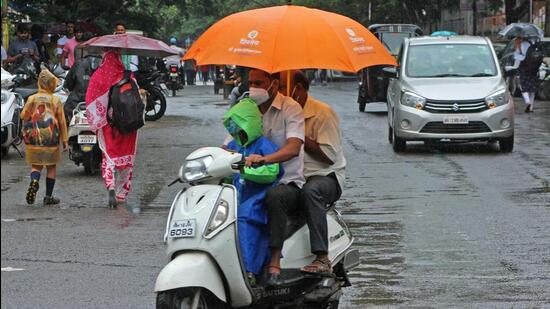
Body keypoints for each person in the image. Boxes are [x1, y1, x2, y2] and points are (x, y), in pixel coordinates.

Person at [243, 69, 305, 286]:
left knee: (274, 196)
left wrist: (265, 159)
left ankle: (275, 259)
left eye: (258, 82)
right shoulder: (246, 109)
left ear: (274, 84)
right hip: (251, 181)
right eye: (250, 82)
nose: (253, 88)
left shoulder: (291, 108)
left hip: (287, 182)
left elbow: (293, 148)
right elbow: (229, 144)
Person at [281, 70, 346, 274]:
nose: (278, 92)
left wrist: (297, 133)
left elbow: (328, 156)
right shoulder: (276, 112)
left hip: (324, 175)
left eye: (283, 87)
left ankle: (321, 256)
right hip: (290, 176)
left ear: (297, 89)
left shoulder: (322, 113)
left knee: (311, 191)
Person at [223, 98, 283, 285]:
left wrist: (244, 168)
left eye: (237, 124)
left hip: (258, 198)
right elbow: (223, 167)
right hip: (236, 195)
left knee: (243, 216)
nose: (234, 129)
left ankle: (248, 270)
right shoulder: (233, 146)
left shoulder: (264, 145)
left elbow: (271, 172)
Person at [85, 50, 138, 208]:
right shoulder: (129, 76)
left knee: (108, 158)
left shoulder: (98, 77)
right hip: (129, 126)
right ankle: (122, 194)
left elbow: (90, 100)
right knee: (127, 160)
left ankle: (111, 187)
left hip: (109, 125)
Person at [20, 68, 68, 206]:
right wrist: (65, 140)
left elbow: (24, 115)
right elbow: (62, 122)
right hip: (51, 139)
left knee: (36, 165)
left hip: (34, 138)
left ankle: (34, 181)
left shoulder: (32, 98)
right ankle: (48, 196)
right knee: (51, 166)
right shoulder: (56, 100)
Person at [64, 52, 102, 123]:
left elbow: (69, 84)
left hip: (75, 103)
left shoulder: (78, 63)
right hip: (97, 106)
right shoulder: (104, 65)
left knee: (65, 120)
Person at [513, 37, 539, 113]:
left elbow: (517, 58)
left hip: (524, 69)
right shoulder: (532, 45)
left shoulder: (520, 46)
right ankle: (531, 107)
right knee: (532, 89)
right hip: (533, 70)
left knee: (523, 87)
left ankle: (527, 102)